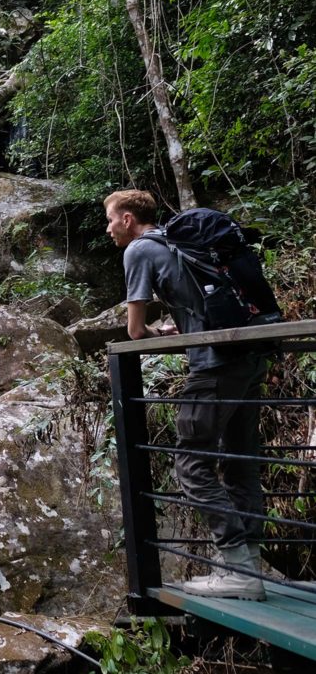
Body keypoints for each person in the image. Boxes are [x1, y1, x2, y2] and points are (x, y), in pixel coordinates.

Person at [104, 189, 267, 600]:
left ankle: (239, 570)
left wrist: (154, 332)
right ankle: (250, 566)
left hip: (215, 366)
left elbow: (134, 331)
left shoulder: (139, 249)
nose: (108, 229)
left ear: (127, 219)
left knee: (192, 464)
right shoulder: (178, 242)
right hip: (247, 356)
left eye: (110, 219)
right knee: (239, 461)